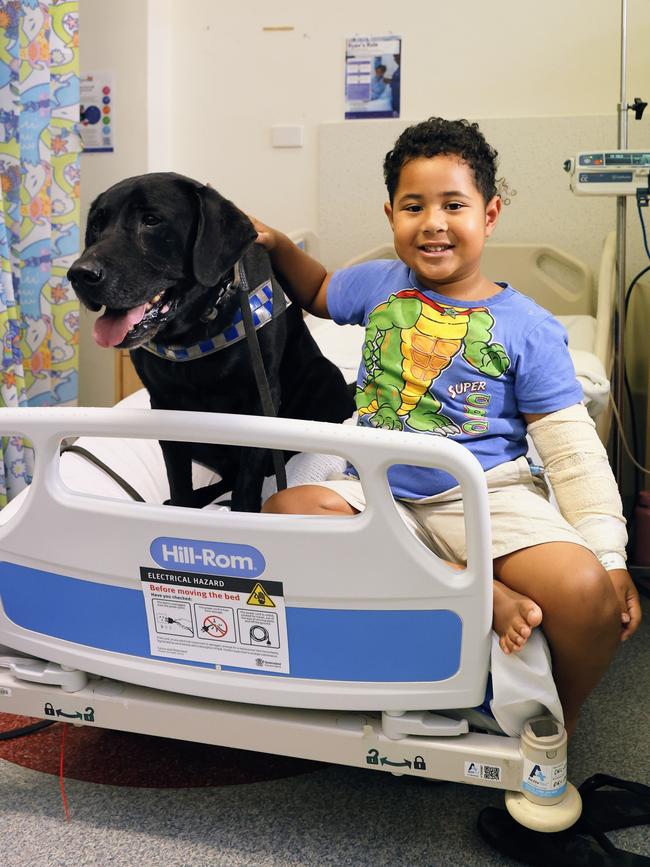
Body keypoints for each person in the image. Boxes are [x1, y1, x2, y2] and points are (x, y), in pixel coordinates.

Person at [254, 117, 641, 735]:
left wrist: (610, 554)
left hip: (486, 495)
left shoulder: (529, 328)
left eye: (452, 205)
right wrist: (277, 246)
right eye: (414, 206)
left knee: (589, 596)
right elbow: (320, 288)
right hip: (378, 492)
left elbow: (570, 455)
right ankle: (485, 596)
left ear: (489, 214)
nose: (432, 221)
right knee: (284, 512)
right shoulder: (380, 286)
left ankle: (538, 725)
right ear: (391, 216)